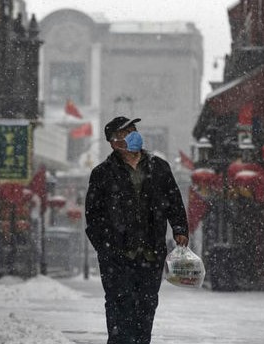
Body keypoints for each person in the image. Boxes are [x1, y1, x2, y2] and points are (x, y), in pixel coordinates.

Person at [85, 116, 189, 344]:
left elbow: (174, 201)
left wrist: (180, 228)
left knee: (146, 306)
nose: (134, 135)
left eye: (134, 130)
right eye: (126, 132)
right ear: (114, 142)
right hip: (116, 256)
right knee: (119, 305)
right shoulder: (102, 173)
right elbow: (93, 217)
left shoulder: (159, 167)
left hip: (151, 253)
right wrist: (105, 247)